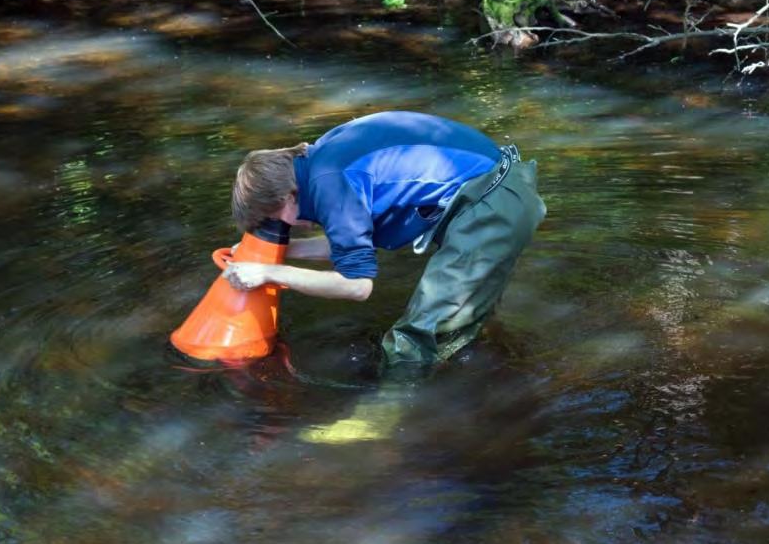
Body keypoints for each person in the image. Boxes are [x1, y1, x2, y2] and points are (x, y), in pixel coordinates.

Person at [224, 111, 546, 369]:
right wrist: (273, 254)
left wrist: (269, 273)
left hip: (491, 204)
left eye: (277, 222)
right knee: (462, 319)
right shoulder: (322, 160)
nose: (289, 229)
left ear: (288, 196)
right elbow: (350, 246)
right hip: (501, 190)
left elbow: (357, 285)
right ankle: (489, 366)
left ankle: (382, 417)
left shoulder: (328, 183)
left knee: (414, 337)